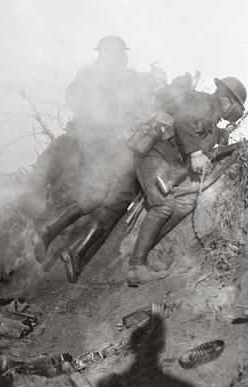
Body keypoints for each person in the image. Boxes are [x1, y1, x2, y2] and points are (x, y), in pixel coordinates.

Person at [33, 35, 164, 282]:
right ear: (102, 52)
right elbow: (72, 97)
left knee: (97, 195)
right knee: (106, 192)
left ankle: (49, 232)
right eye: (113, 52)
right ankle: (54, 236)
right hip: (98, 141)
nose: (118, 57)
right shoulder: (90, 73)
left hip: (115, 141)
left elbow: (140, 91)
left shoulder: (125, 75)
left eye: (119, 53)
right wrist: (94, 116)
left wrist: (154, 79)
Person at [126, 76, 247, 286]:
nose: (234, 113)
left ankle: (144, 253)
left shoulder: (214, 117)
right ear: (227, 100)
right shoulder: (208, 102)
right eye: (236, 106)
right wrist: (195, 153)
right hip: (155, 155)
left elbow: (203, 139)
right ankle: (136, 267)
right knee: (163, 207)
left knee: (184, 204)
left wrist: (223, 137)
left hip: (168, 161)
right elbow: (183, 117)